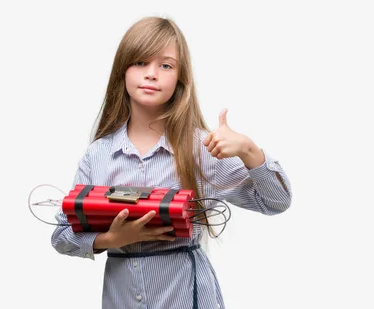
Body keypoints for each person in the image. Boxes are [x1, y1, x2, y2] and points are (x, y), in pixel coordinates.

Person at [51, 16, 292, 309]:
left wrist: (249, 150)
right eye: (140, 62)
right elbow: (62, 236)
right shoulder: (98, 154)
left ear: (180, 77)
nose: (151, 74)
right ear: (122, 70)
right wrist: (111, 238)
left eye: (165, 65)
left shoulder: (202, 148)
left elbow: (276, 202)